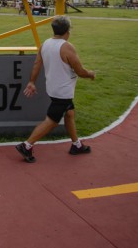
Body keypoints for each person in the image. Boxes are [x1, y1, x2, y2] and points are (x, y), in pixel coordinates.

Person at [15, 16, 96, 163]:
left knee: (69, 114)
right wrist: (90, 74)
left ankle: (76, 145)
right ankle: (26, 146)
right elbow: (80, 71)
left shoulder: (45, 44)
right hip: (62, 92)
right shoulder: (67, 47)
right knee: (52, 121)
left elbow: (37, 64)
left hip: (53, 88)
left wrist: (32, 82)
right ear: (68, 31)